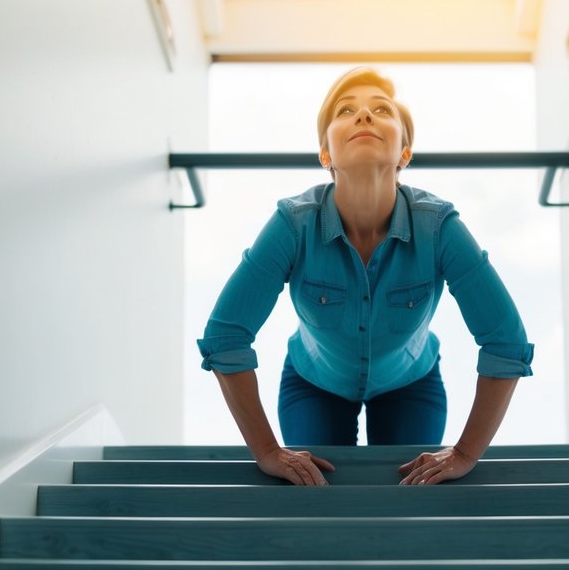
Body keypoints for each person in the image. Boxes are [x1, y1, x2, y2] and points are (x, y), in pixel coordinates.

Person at [197, 67, 533, 486]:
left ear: (404, 154)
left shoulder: (439, 227)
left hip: (412, 384)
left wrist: (465, 453)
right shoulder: (292, 224)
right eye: (346, 110)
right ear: (326, 155)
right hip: (312, 384)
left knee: (410, 501)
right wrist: (265, 451)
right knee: (317, 498)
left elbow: (507, 342)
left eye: (381, 109)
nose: (364, 116)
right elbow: (225, 336)